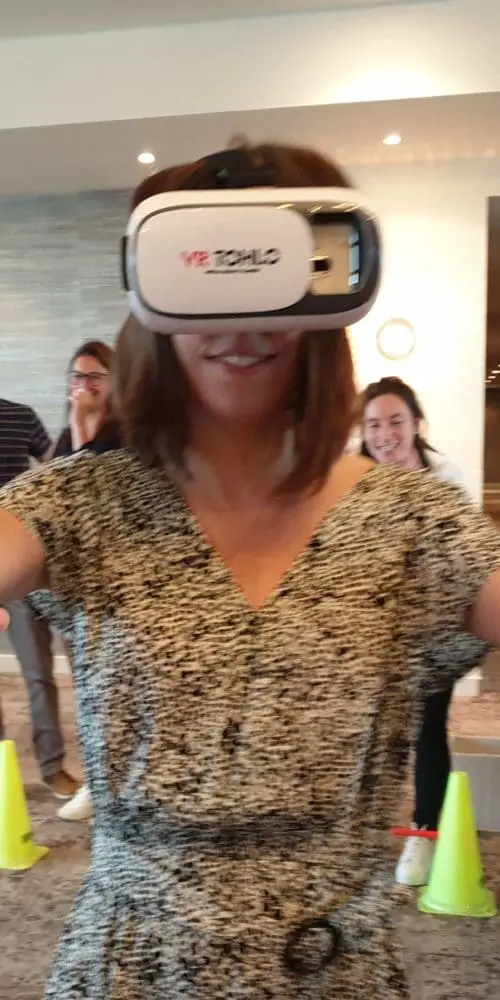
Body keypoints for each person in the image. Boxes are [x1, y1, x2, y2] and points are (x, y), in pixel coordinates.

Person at [0, 142, 499, 1000]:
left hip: (331, 971)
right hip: (130, 967)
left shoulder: (415, 522)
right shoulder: (78, 504)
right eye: (212, 278)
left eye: (276, 279)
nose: (244, 325)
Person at [360, 376, 467, 886]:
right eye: (374, 425)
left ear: (417, 424)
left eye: (396, 421)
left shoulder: (447, 480)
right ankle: (355, 833)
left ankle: (425, 834)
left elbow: (463, 558)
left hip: (434, 626)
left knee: (427, 726)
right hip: (371, 628)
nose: (386, 435)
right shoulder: (350, 483)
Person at [54, 339, 120, 822]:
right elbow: (57, 496)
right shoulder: (66, 436)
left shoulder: (129, 435)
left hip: (121, 579)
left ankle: (113, 786)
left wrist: (81, 427)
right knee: (89, 686)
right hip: (79, 582)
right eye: (77, 377)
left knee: (119, 688)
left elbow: (93, 492)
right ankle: (97, 783)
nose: (84, 386)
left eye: (94, 377)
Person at [0, 397, 77, 800]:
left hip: (22, 558)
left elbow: (55, 470)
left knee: (37, 671)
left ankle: (52, 766)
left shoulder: (20, 415)